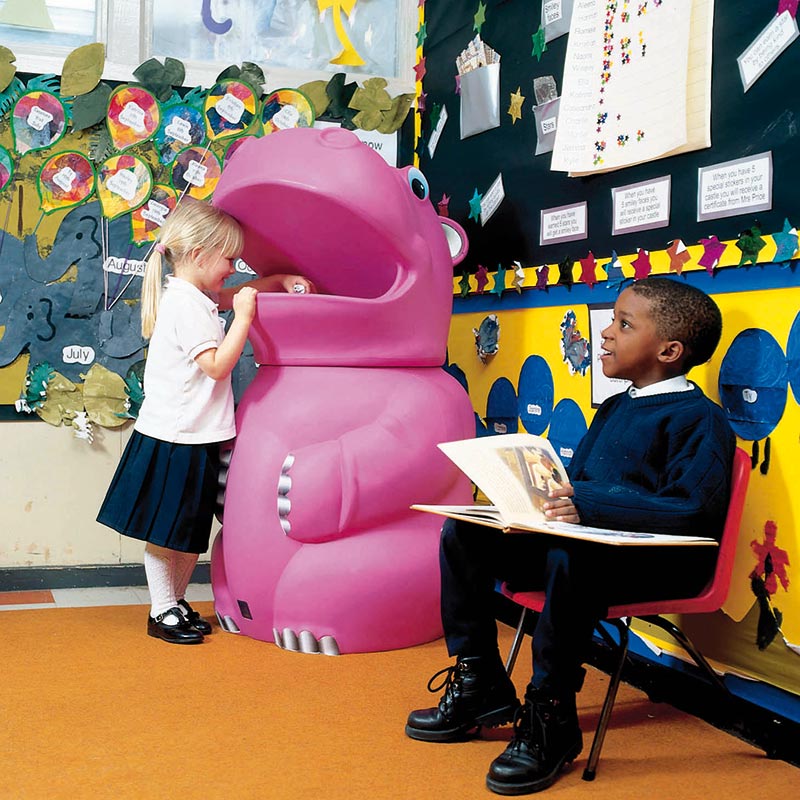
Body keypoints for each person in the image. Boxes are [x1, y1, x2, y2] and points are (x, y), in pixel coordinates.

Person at [405, 277, 736, 794]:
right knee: (464, 533)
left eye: (623, 324)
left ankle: (551, 715)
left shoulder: (702, 420)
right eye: (612, 320)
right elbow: (572, 491)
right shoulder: (614, 408)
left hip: (660, 562)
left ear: (669, 351)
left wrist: (586, 503)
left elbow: (691, 511)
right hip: (583, 550)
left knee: (571, 558)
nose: (605, 333)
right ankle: (480, 682)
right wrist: (525, 503)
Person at [97, 200, 314, 645]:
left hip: (196, 436)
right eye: (228, 259)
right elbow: (216, 365)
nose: (232, 268)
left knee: (187, 532)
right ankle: (162, 610)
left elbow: (240, 291)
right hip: (174, 438)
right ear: (199, 255)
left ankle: (174, 605)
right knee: (165, 533)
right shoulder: (185, 305)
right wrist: (246, 318)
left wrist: (277, 282)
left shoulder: (197, 296)